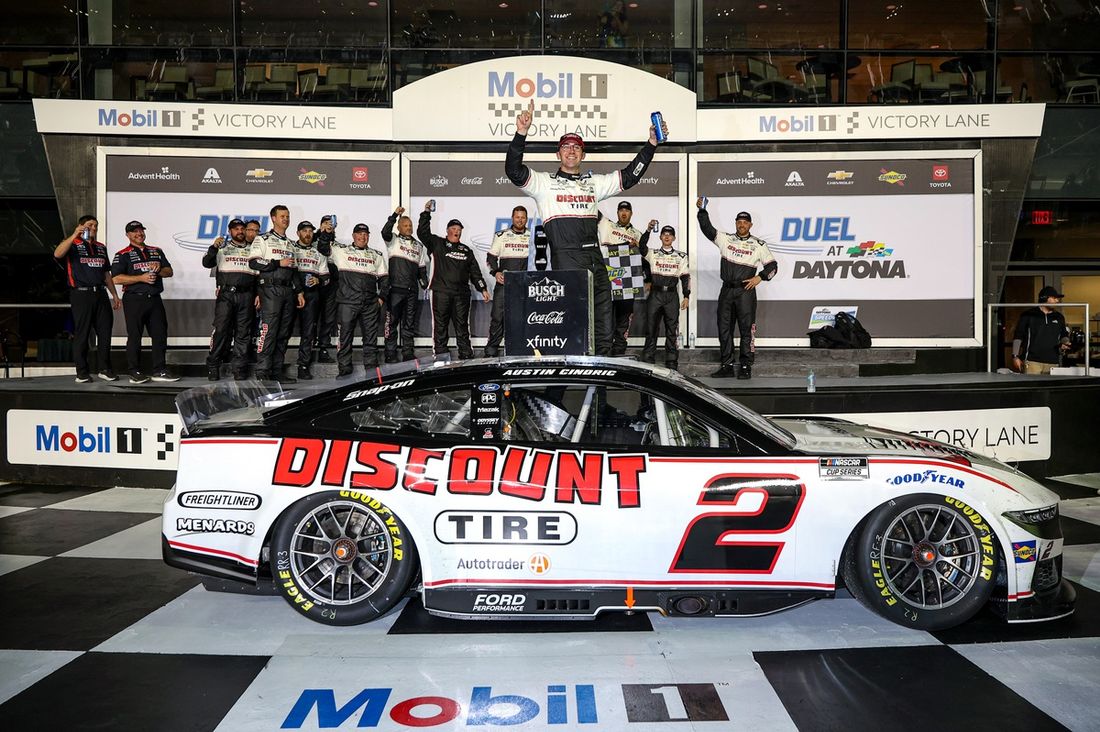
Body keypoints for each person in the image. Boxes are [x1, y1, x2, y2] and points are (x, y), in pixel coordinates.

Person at [505, 100, 666, 355]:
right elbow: (513, 171)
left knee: (604, 319)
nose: (571, 150)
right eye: (566, 147)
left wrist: (651, 145)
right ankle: (565, 377)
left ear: (583, 155)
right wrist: (521, 133)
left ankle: (601, 375)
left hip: (595, 257)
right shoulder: (543, 183)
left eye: (577, 147)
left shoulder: (594, 183)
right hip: (567, 258)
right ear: (558, 154)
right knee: (571, 321)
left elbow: (630, 176)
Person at [697, 203, 777, 380]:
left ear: (750, 225)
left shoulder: (758, 245)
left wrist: (760, 277)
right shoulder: (725, 239)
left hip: (745, 292)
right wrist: (702, 211)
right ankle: (726, 365)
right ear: (735, 223)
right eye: (739, 222)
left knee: (746, 330)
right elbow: (707, 229)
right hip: (726, 290)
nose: (742, 225)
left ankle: (746, 365)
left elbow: (773, 266)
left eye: (745, 222)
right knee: (724, 329)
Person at [54, 215, 122, 382]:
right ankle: (82, 372)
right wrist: (74, 234)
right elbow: (57, 253)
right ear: (81, 226)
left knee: (105, 332)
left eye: (96, 225)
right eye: (90, 225)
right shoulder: (73, 243)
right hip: (81, 294)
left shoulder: (100, 247)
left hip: (100, 293)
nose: (94, 228)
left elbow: (106, 274)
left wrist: (114, 295)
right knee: (82, 333)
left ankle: (104, 369)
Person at [417, 205, 490, 360]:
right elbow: (422, 233)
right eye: (454, 228)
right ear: (448, 230)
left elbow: (475, 273)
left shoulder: (466, 250)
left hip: (462, 295)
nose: (457, 231)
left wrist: (483, 288)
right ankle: (441, 357)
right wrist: (426, 213)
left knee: (462, 326)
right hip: (441, 292)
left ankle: (466, 355)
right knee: (440, 326)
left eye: (459, 229)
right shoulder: (437, 243)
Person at [110, 220, 179, 383]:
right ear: (127, 235)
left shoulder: (156, 251)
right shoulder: (122, 254)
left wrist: (159, 269)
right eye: (135, 231)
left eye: (141, 230)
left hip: (154, 298)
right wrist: (140, 278)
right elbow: (116, 278)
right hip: (134, 299)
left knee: (160, 335)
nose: (139, 234)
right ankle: (134, 371)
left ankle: (160, 370)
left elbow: (169, 272)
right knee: (135, 335)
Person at [249, 204, 304, 382]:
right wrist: (278, 263)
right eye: (282, 216)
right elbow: (254, 262)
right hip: (270, 289)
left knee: (284, 332)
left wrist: (299, 292)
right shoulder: (262, 239)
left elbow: (294, 270)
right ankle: (262, 371)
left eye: (287, 216)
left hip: (288, 291)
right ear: (273, 218)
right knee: (269, 330)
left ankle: (276, 370)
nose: (286, 219)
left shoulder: (290, 244)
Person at [329, 223, 388, 377]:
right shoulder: (342, 251)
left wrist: (381, 298)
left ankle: (371, 372)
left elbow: (385, 279)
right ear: (353, 236)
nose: (363, 237)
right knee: (344, 338)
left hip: (370, 304)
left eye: (365, 234)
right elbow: (323, 248)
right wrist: (327, 232)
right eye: (360, 234)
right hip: (347, 303)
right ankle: (344, 371)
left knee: (371, 339)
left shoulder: (377, 255)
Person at [202, 218, 255, 381]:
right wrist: (213, 248)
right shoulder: (221, 247)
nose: (239, 231)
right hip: (226, 295)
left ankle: (239, 368)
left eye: (242, 228)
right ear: (230, 231)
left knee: (243, 333)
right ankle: (213, 365)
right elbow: (206, 262)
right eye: (236, 229)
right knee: (221, 330)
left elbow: (258, 274)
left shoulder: (254, 249)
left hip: (247, 295)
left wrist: (258, 295)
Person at [597, 201, 651, 355]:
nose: (624, 213)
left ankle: (619, 351)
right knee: (606, 318)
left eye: (627, 210)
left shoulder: (638, 235)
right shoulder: (607, 225)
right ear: (617, 213)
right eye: (621, 210)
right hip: (607, 280)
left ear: (631, 213)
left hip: (627, 283)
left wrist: (648, 280)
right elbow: (593, 209)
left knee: (623, 319)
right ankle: (604, 352)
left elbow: (645, 259)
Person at [381, 207, 429, 363]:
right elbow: (385, 232)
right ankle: (390, 352)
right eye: (405, 225)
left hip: (412, 291)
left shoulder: (419, 246)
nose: (408, 228)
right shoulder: (393, 240)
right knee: (391, 322)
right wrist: (394, 215)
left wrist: (424, 283)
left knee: (409, 323)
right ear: (399, 227)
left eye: (410, 225)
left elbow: (421, 269)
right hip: (395, 289)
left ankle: (408, 352)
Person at [639, 225, 690, 369]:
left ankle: (672, 361)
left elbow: (685, 277)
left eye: (670, 235)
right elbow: (641, 247)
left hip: (671, 296)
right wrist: (648, 230)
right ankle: (648, 359)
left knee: (672, 330)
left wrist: (686, 296)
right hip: (655, 294)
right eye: (664, 234)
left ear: (674, 238)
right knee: (651, 328)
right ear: (660, 237)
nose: (667, 237)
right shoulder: (652, 253)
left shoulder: (681, 256)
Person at [484, 205, 531, 357]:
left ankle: (518, 347)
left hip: (524, 284)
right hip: (504, 283)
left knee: (521, 317)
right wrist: (496, 272)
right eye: (517, 217)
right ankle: (491, 349)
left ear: (526, 219)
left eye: (523, 217)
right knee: (497, 317)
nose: (520, 220)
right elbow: (490, 258)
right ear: (512, 218)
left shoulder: (532, 236)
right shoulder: (501, 235)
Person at [293, 221, 328, 381]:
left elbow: (326, 277)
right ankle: (275, 366)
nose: (308, 234)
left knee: (308, 332)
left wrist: (319, 280)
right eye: (304, 231)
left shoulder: (318, 252)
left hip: (311, 295)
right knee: (281, 330)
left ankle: (303, 366)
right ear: (298, 233)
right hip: (291, 293)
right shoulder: (290, 248)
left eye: (310, 231)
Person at [1013, 286, 1071, 375]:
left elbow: (1063, 335)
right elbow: (1018, 336)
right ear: (1044, 298)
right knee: (1032, 384)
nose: (1057, 301)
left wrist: (1065, 343)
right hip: (1032, 362)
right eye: (1054, 298)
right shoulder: (1028, 315)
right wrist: (1015, 356)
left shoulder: (1059, 317)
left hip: (1053, 362)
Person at [314, 216, 340, 364]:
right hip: (314, 282)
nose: (328, 226)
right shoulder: (312, 240)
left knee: (328, 317)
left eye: (331, 224)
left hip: (332, 284)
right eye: (325, 223)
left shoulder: (336, 244)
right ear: (320, 225)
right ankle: (309, 346)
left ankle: (323, 347)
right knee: (311, 317)